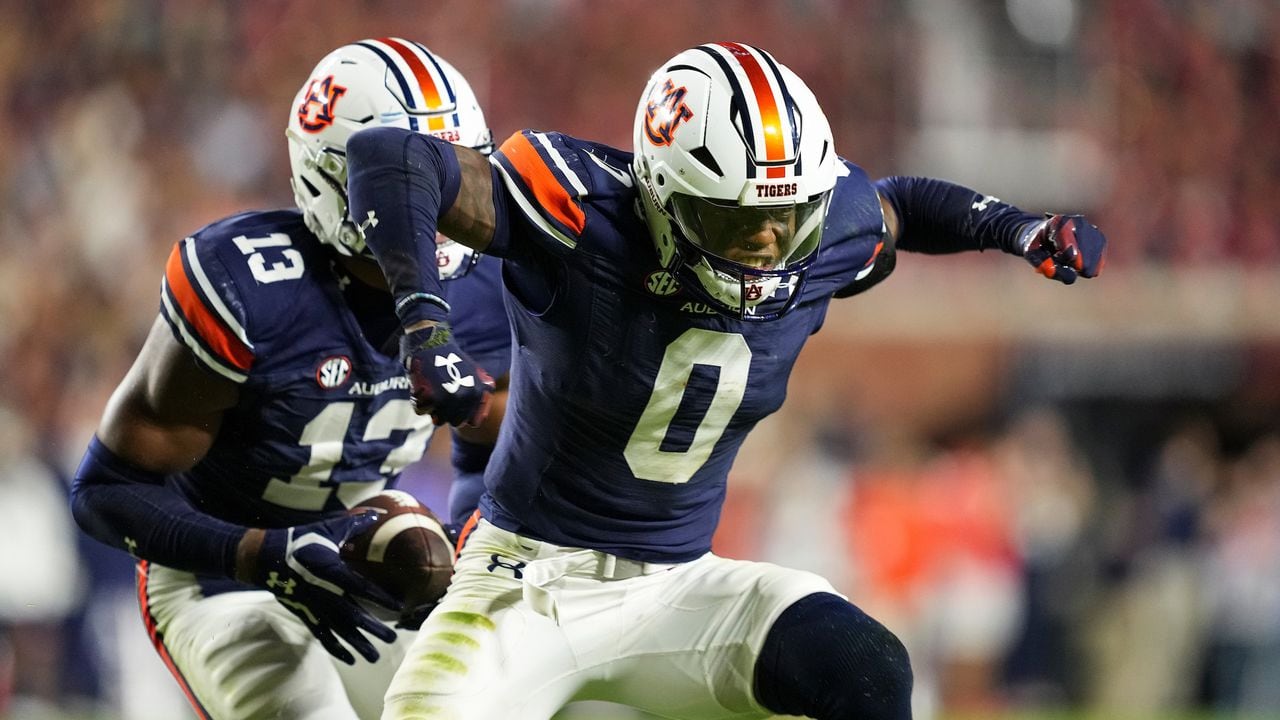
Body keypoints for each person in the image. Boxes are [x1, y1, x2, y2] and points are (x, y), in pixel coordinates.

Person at [345, 42, 1107, 720]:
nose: (770, 243)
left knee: (868, 668)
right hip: (524, 581)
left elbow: (898, 207)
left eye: (789, 216)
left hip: (681, 586)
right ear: (663, 199)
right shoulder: (586, 211)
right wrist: (425, 324)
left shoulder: (822, 227)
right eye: (737, 220)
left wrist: (1019, 229)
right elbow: (389, 157)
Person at [69, 38, 510, 720]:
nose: (435, 204)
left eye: (445, 171)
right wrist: (258, 552)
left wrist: (458, 546)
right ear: (336, 179)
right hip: (219, 572)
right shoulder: (253, 287)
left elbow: (490, 455)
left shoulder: (484, 290)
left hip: (364, 556)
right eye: (404, 181)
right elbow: (106, 492)